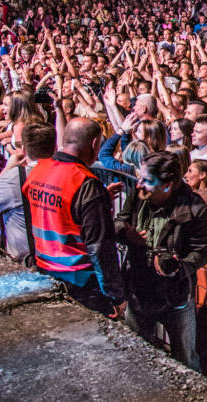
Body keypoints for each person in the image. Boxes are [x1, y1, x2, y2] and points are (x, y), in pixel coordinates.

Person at [115, 151, 207, 370]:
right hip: (139, 288)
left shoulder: (194, 208)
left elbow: (201, 251)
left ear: (167, 185)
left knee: (186, 361)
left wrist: (177, 268)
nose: (139, 184)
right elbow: (120, 220)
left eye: (147, 180)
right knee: (135, 354)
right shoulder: (138, 195)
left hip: (175, 295)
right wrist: (125, 233)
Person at [22, 117, 126, 318]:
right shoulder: (85, 183)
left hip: (44, 270)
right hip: (80, 282)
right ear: (94, 144)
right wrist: (115, 296)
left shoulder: (38, 171)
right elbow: (99, 247)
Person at [0, 122, 57, 262]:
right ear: (55, 147)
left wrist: (7, 168)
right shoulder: (64, 173)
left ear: (24, 149)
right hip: (58, 256)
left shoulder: (14, 177)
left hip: (26, 259)